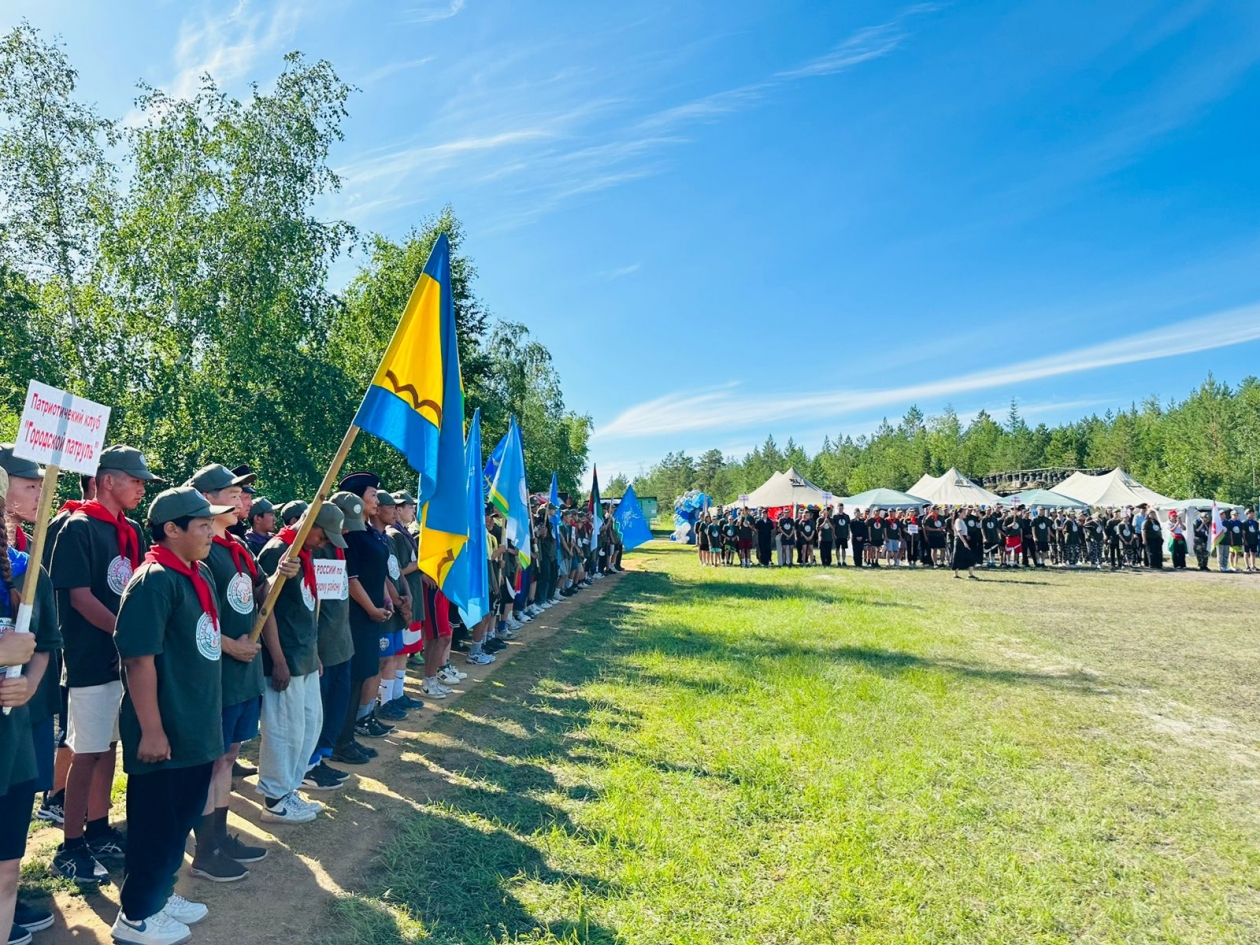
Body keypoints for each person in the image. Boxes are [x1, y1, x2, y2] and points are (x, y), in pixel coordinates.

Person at [110, 486, 236, 945]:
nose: (210, 532)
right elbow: (139, 659)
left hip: (195, 725)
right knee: (155, 826)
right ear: (171, 529)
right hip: (166, 730)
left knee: (179, 822)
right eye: (203, 525)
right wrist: (152, 730)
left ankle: (160, 895)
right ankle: (137, 916)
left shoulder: (193, 573)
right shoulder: (154, 580)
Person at [50, 445, 160, 885]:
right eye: (134, 480)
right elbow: (78, 597)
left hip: (124, 659)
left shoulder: (130, 530)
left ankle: (98, 829)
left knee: (110, 748)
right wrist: (124, 635)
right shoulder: (76, 528)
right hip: (90, 659)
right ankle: (70, 844)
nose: (140, 488)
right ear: (107, 481)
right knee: (88, 751)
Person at [185, 465, 275, 881]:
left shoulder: (239, 547)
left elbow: (257, 593)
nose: (244, 501)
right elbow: (194, 617)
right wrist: (230, 645)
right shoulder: (201, 551)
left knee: (230, 757)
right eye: (234, 493)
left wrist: (278, 577)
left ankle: (219, 836)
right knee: (212, 760)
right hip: (217, 672)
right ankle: (204, 849)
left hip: (244, 672)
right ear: (208, 498)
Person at [256, 501, 347, 823]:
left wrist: (317, 654)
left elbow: (309, 608)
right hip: (286, 659)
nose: (326, 542)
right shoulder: (276, 550)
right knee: (284, 729)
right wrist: (278, 659)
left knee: (308, 726)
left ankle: (290, 788)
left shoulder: (306, 554)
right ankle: (274, 797)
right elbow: (265, 609)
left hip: (306, 656)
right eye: (324, 534)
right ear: (310, 525)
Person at [0, 466, 59, 945]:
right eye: (28, 485)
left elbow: (45, 644)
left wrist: (30, 683)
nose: (40, 494)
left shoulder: (28, 567)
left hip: (12, 741)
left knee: (6, 871)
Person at [324, 493, 372, 766]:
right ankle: (325, 754)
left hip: (342, 634)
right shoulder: (320, 548)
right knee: (329, 699)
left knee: (346, 690)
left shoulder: (338, 547)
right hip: (326, 640)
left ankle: (342, 741)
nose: (346, 532)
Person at [952, 511, 977, 579]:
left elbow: (963, 532)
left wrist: (967, 536)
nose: (965, 514)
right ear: (959, 513)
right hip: (960, 540)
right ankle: (956, 574)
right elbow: (959, 532)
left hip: (963, 538)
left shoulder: (962, 521)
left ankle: (970, 574)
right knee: (957, 556)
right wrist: (964, 542)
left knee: (970, 556)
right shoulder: (958, 521)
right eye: (963, 513)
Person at [1243, 509, 1259, 573]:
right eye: (1250, 513)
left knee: (1253, 553)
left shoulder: (1256, 523)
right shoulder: (1245, 522)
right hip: (1247, 539)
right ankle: (1247, 566)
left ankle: (1253, 565)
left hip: (1254, 539)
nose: (1252, 514)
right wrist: (1244, 540)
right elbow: (1243, 532)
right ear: (1247, 514)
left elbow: (1257, 531)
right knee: (1246, 552)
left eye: (1252, 513)